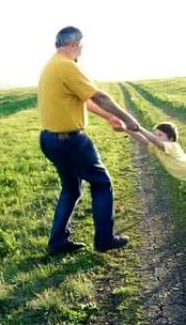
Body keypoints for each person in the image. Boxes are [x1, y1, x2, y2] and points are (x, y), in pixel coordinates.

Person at [38, 26, 139, 255]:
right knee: (102, 183)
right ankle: (104, 239)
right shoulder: (67, 66)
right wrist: (128, 117)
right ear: (74, 44)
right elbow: (99, 96)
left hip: (50, 140)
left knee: (71, 189)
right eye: (81, 46)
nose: (82, 52)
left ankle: (58, 243)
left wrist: (109, 117)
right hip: (70, 142)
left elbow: (84, 100)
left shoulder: (52, 65)